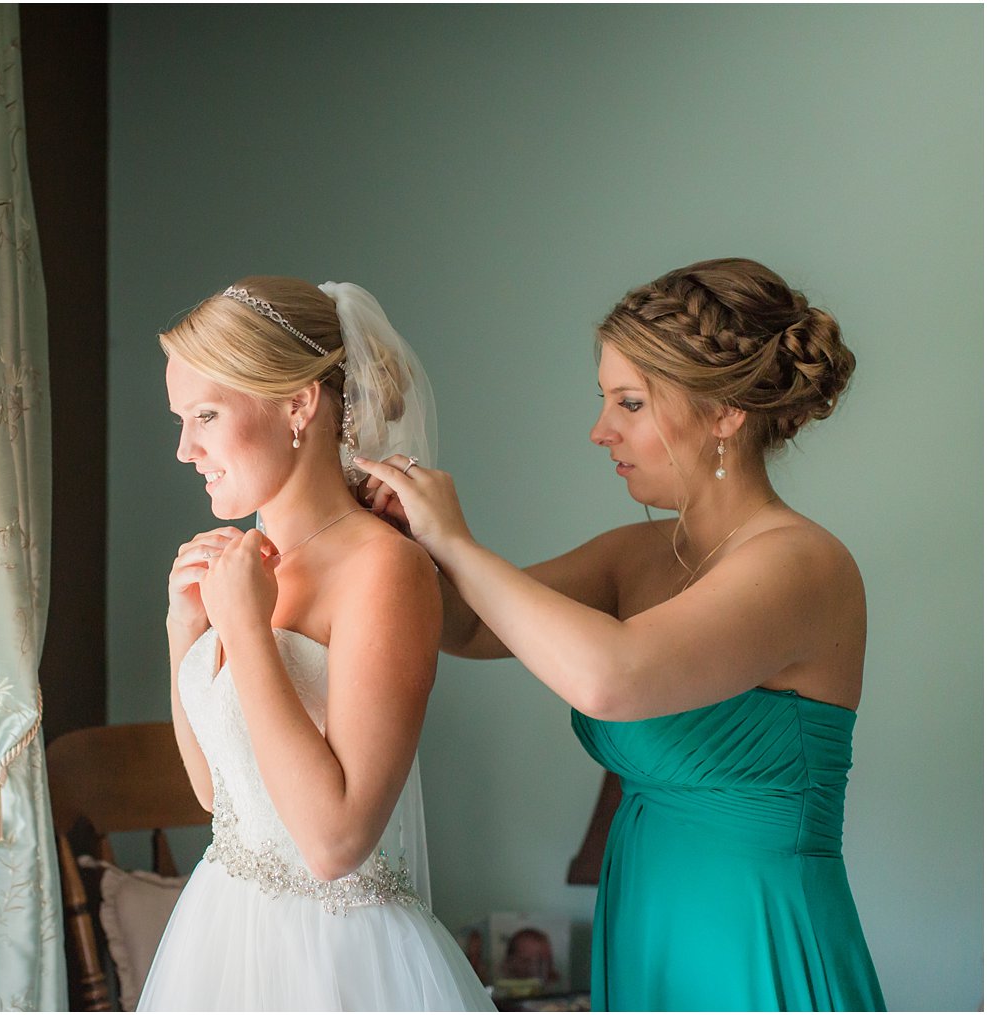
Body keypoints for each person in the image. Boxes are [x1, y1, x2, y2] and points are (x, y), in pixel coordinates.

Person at [357, 257, 885, 1011]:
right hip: (644, 921)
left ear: (725, 410)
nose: (601, 430)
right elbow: (468, 622)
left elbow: (612, 678)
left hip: (757, 936)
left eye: (629, 403)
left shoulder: (803, 565)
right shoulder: (631, 555)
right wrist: (393, 532)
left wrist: (460, 543)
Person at [137, 277, 492, 1011]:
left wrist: (246, 634)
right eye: (181, 419)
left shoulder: (384, 568)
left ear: (299, 405)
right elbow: (218, 795)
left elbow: (334, 843)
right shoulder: (249, 563)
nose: (183, 448)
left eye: (205, 414)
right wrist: (185, 630)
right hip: (221, 931)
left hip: (332, 961)